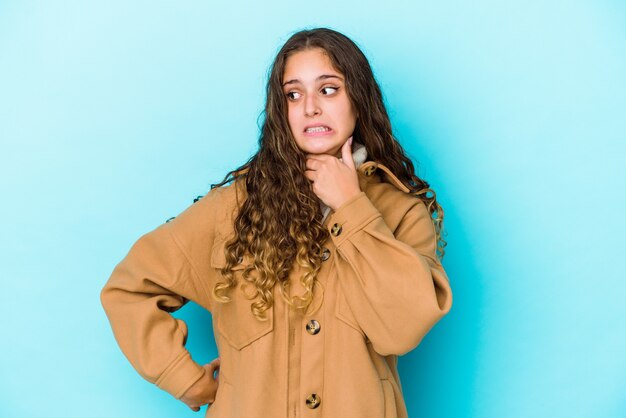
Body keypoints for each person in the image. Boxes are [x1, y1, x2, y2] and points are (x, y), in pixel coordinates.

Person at [100, 27, 453, 418]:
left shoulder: (401, 211)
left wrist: (351, 206)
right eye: (293, 94)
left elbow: (402, 329)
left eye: (329, 89)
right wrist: (184, 378)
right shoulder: (233, 207)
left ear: (358, 98)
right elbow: (129, 287)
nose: (310, 108)